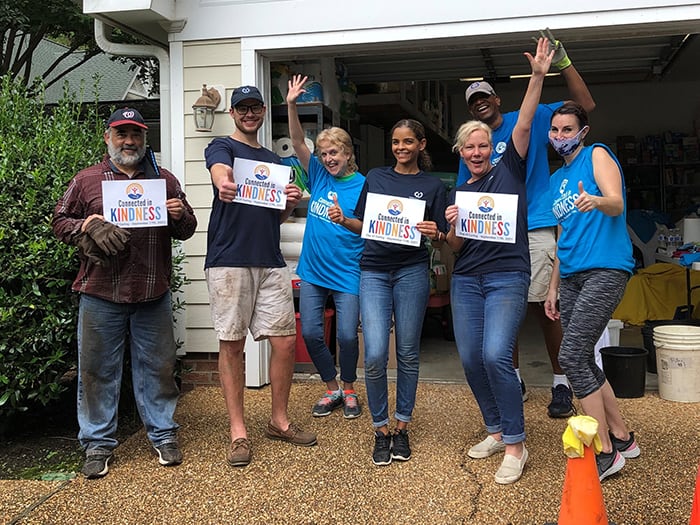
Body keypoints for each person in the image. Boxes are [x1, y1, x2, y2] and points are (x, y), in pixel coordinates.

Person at [52, 107, 197, 479]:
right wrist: (85, 224)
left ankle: (163, 434)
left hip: (152, 290)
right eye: (121, 134)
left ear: (144, 139)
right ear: (108, 138)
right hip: (101, 292)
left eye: (135, 135)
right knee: (97, 371)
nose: (129, 141)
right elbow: (59, 220)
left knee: (160, 368)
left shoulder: (164, 181)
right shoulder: (86, 180)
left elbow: (188, 229)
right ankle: (98, 443)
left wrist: (179, 213)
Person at [458, 29, 596, 417]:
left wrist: (561, 66)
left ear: (497, 99)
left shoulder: (528, 119)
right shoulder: (474, 143)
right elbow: (465, 194)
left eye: (485, 97)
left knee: (544, 309)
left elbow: (584, 104)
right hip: (490, 235)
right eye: (474, 102)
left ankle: (561, 383)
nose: (481, 104)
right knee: (504, 315)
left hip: (533, 224)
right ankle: (512, 379)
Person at [444, 38, 553, 485]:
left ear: (493, 147)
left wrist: (539, 76)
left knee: (496, 356)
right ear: (460, 151)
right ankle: (495, 429)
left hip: (508, 274)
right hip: (467, 278)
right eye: (468, 147)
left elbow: (525, 124)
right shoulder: (460, 192)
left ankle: (516, 444)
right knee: (471, 358)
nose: (476, 151)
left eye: (482, 145)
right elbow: (454, 249)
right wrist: (450, 227)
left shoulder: (508, 170)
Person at [204, 85, 317, 468]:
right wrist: (223, 183)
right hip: (229, 259)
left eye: (254, 107)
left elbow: (276, 216)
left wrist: (286, 206)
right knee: (232, 344)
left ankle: (279, 421)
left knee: (285, 341)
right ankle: (239, 432)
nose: (249, 114)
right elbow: (219, 171)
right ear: (233, 114)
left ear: (264, 111)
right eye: (242, 108)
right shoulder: (222, 147)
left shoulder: (273, 160)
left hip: (269, 259)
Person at [329, 118, 448, 466]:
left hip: (412, 270)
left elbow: (443, 231)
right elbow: (362, 223)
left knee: (408, 352)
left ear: (421, 145)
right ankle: (380, 428)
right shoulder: (376, 178)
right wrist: (341, 219)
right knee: (376, 352)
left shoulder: (432, 185)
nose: (401, 148)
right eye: (396, 142)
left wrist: (435, 232)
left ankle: (402, 426)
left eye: (408, 142)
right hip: (374, 271)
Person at [544, 101, 641, 481]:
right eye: (555, 131)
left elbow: (617, 204)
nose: (560, 137)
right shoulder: (556, 180)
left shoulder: (597, 155)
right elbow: (561, 236)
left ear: (582, 132)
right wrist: (552, 288)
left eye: (568, 129)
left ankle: (603, 452)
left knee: (570, 355)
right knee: (582, 357)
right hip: (570, 275)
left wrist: (596, 200)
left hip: (605, 268)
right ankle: (622, 437)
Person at [286, 74, 365, 419]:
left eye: (334, 152)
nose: (328, 158)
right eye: (324, 153)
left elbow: (370, 227)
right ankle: (331, 388)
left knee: (347, 336)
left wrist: (345, 220)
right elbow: (296, 140)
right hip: (314, 271)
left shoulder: (365, 185)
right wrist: (290, 105)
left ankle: (349, 388)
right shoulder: (318, 175)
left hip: (349, 271)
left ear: (348, 153)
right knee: (312, 332)